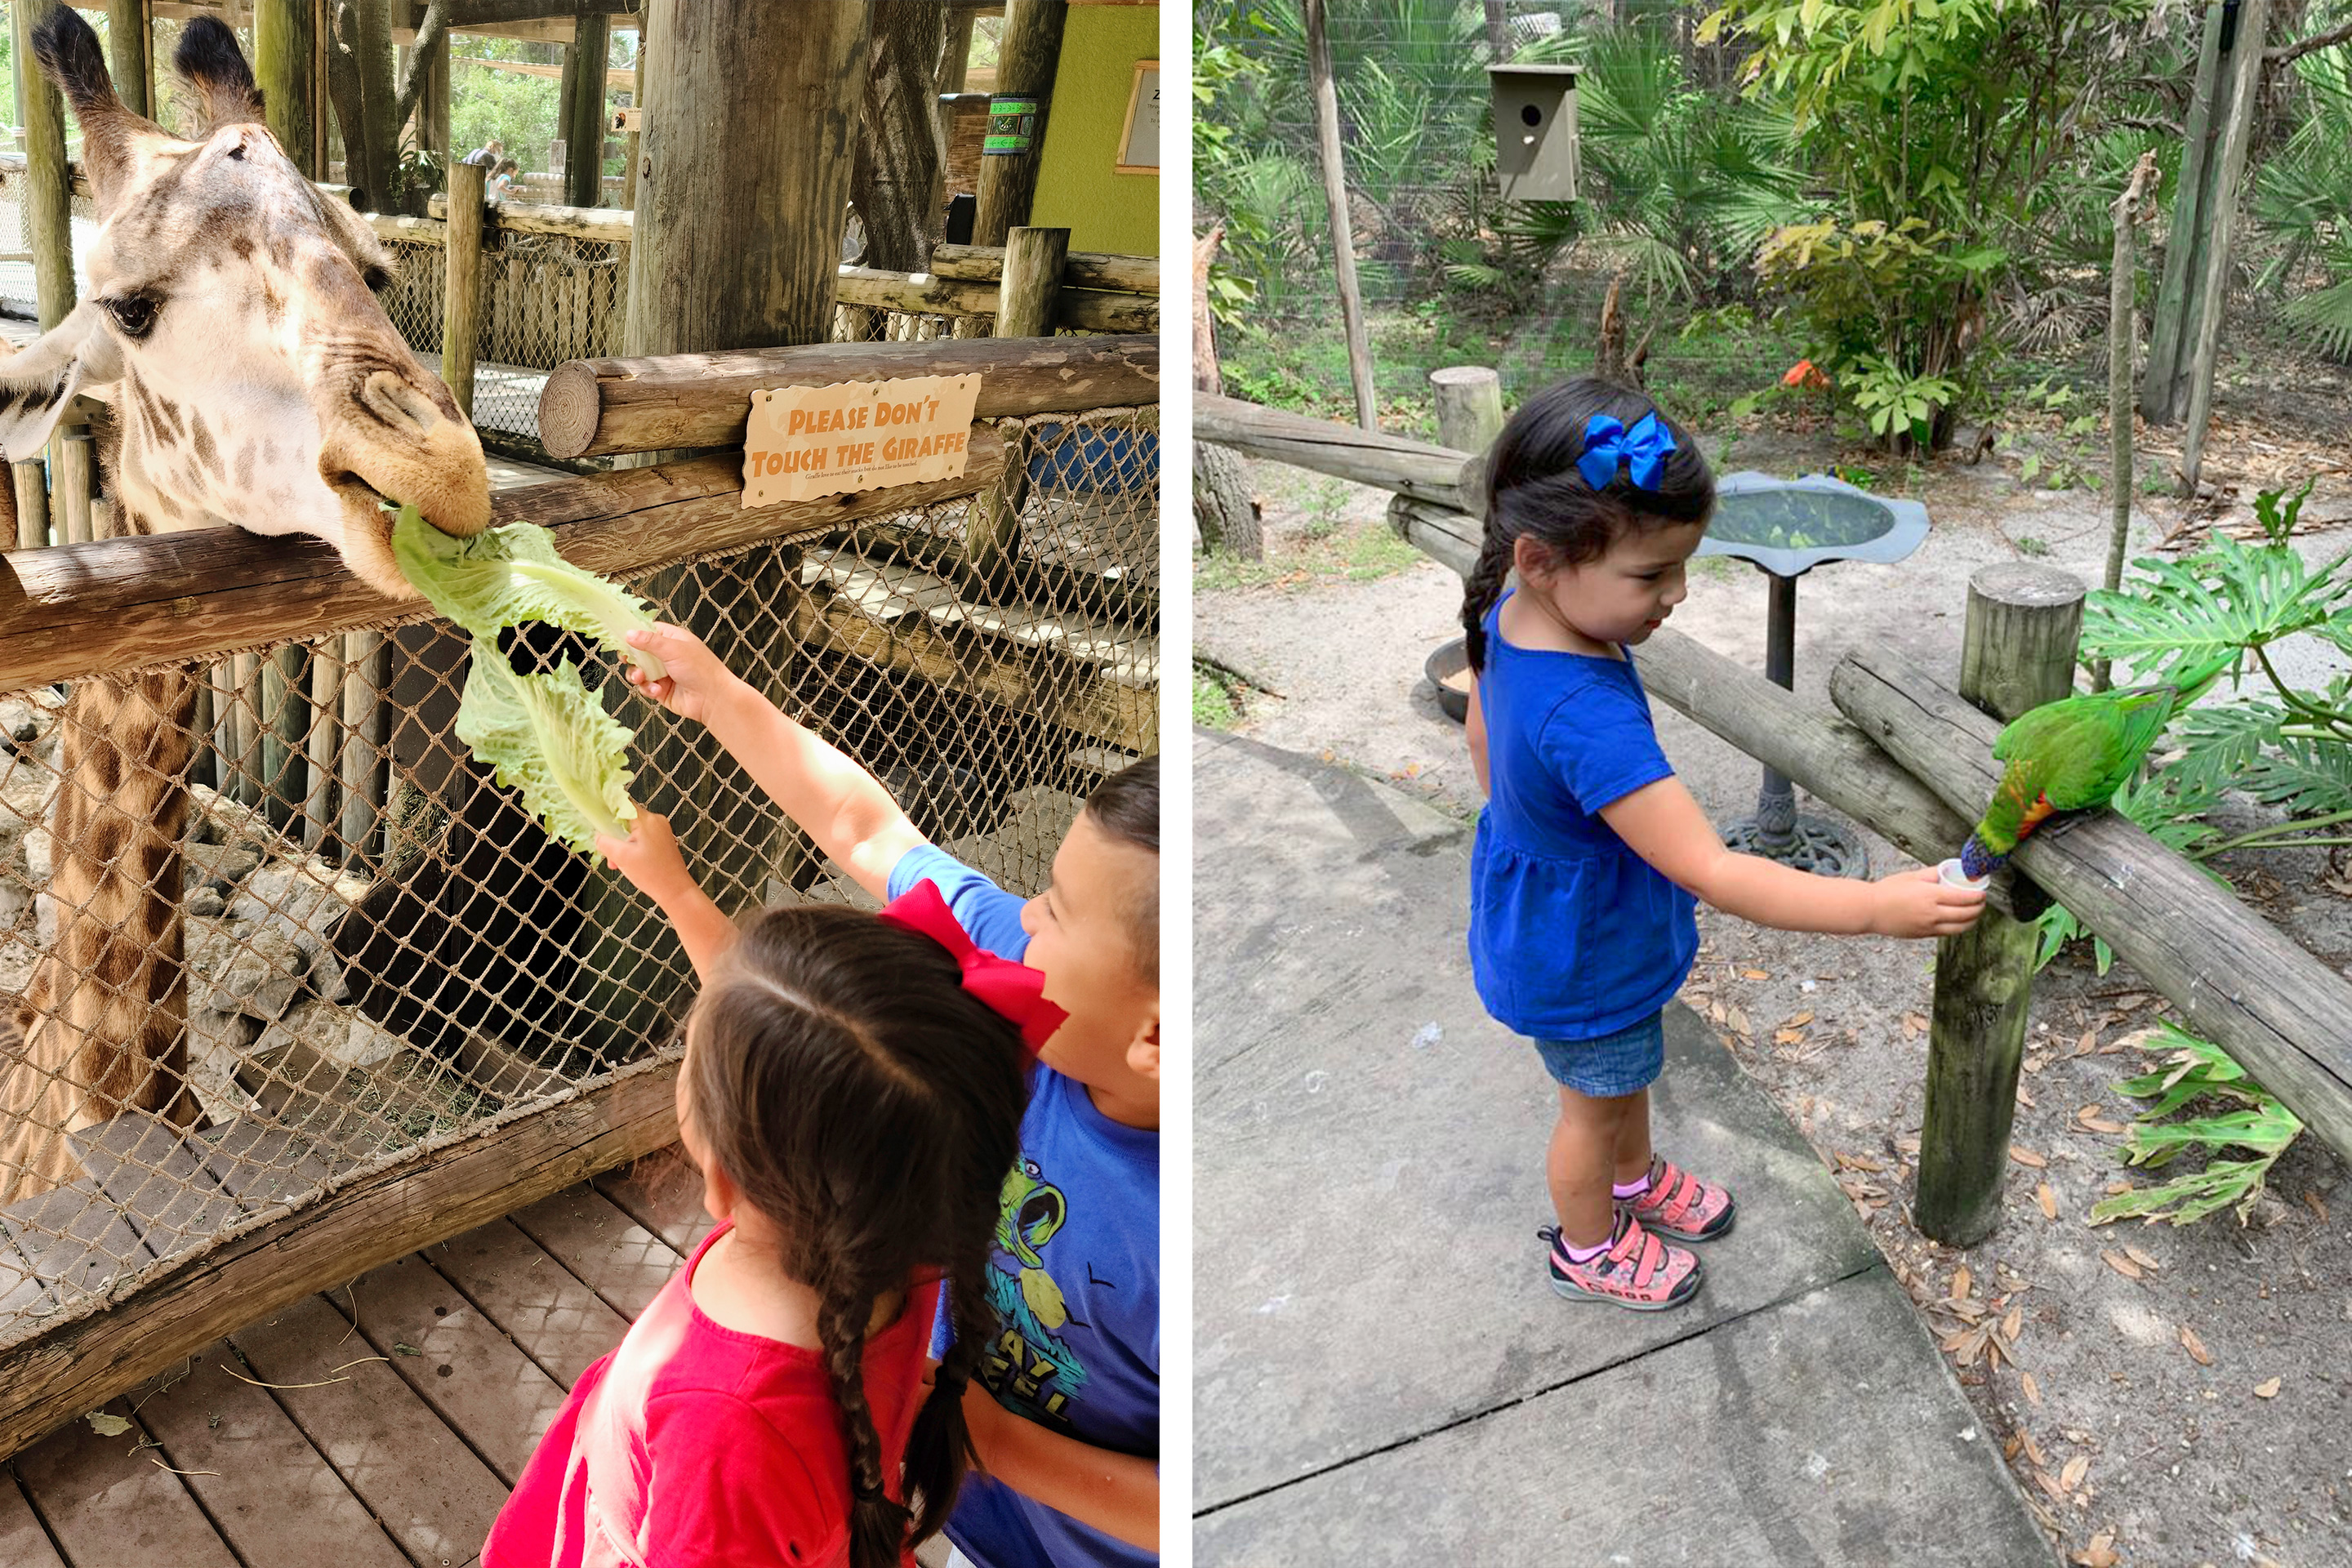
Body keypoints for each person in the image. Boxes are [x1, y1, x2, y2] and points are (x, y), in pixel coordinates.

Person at [611, 622, 1162, 1566]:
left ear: (1154, 1033)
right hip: (943, 1494)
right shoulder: (1018, 992)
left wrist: (987, 1437)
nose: (1016, 913)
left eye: (1057, 909)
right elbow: (861, 829)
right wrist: (717, 693)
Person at [1460, 376, 1986, 1312]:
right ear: (1543, 558)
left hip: (1560, 916)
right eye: (1651, 575)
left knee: (1622, 1074)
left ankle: (1634, 1183)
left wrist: (1526, 828)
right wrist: (1878, 908)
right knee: (1593, 1102)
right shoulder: (1583, 712)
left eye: (1681, 566)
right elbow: (1713, 867)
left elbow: (1483, 738)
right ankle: (1589, 1248)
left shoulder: (1513, 606)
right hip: (1583, 950)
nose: (1679, 595)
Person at [480, 870, 1050, 1568]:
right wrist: (679, 894)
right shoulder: (890, 1227)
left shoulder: (726, 1431)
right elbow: (784, 1036)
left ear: (722, 1177)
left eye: (690, 1056)